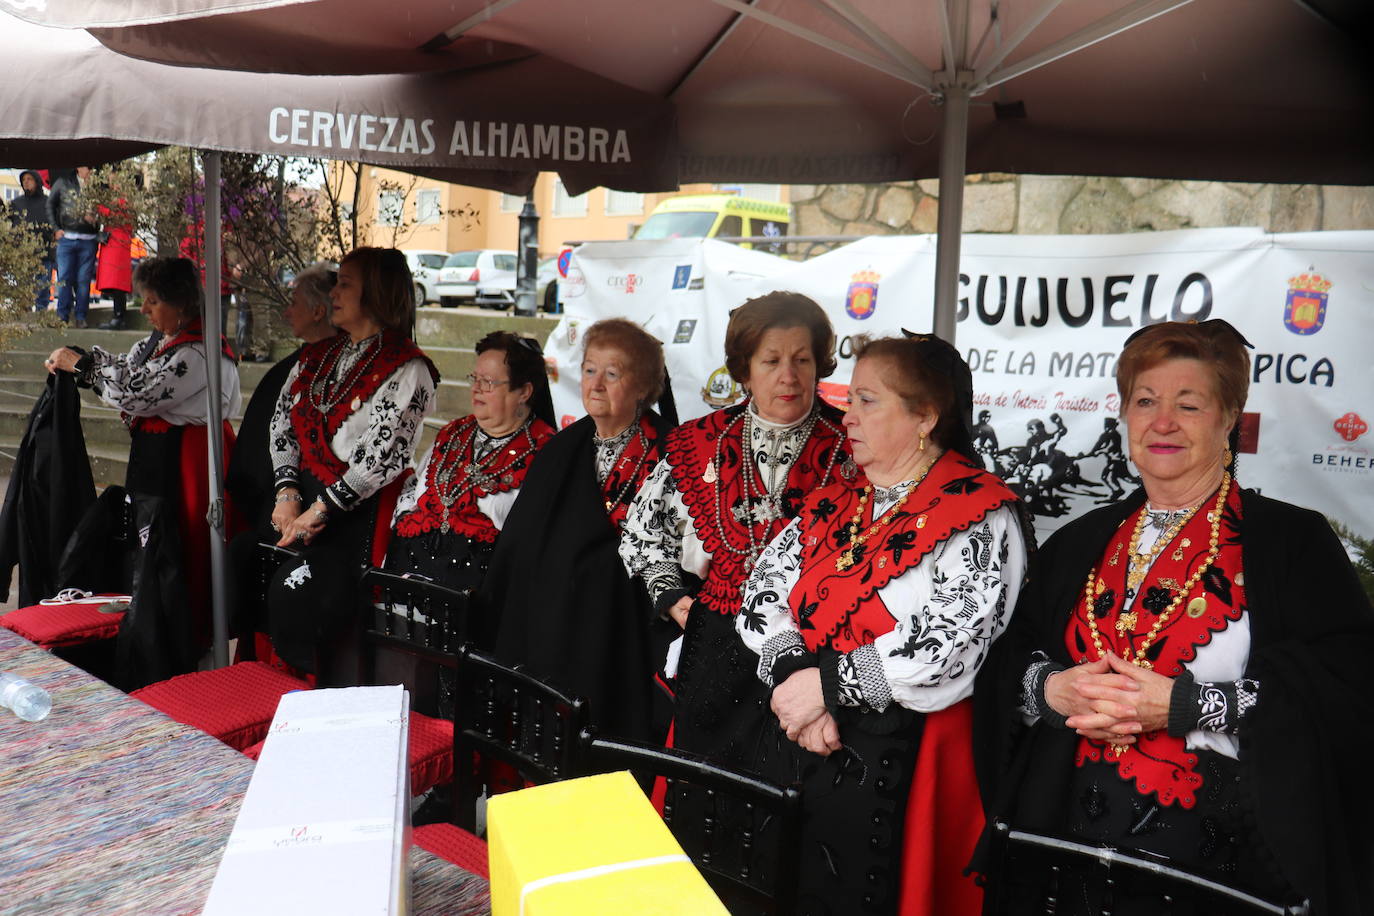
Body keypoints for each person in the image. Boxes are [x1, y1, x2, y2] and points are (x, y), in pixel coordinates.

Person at [980, 320, 1374, 915]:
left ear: (1229, 419)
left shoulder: (1292, 543)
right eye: (1145, 401)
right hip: (1062, 857)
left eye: (1188, 404)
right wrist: (1053, 689)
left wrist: (1186, 706)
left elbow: (1345, 692)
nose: (1162, 422)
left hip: (1221, 873)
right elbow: (1013, 663)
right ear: (1124, 415)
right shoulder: (1080, 539)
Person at [737, 333, 1027, 916]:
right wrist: (796, 674)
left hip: (907, 760)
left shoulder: (976, 511)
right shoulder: (842, 494)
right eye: (851, 399)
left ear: (924, 417)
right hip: (803, 737)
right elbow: (763, 593)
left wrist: (824, 688)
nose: (847, 415)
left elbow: (947, 644)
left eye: (867, 400)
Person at [620, 291, 849, 766]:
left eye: (802, 359)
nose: (789, 376)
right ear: (743, 370)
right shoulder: (697, 443)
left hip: (812, 663)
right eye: (771, 361)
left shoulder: (853, 448)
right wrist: (674, 599)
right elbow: (643, 533)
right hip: (717, 657)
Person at [44, 257, 242, 685]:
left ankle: (193, 659)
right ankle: (157, 644)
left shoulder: (202, 352)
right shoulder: (162, 341)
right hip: (158, 461)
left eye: (154, 302)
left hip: (190, 466)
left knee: (186, 554)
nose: (147, 310)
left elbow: (137, 391)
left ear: (183, 303)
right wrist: (82, 361)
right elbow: (128, 370)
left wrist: (82, 365)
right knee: (152, 553)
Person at [483, 318, 675, 744]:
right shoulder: (563, 448)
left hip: (625, 628)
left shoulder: (670, 451)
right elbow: (521, 544)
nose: (596, 385)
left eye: (613, 373)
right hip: (556, 621)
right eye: (590, 370)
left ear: (643, 386)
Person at [266, 247, 438, 680]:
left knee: (345, 630)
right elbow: (282, 422)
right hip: (306, 502)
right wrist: (287, 494)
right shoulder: (319, 355)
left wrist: (316, 512)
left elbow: (379, 456)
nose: (335, 292)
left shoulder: (407, 368)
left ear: (375, 294)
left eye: (345, 284)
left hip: (360, 515)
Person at [387, 331, 556, 592]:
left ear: (524, 391)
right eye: (474, 378)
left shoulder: (546, 452)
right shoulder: (453, 433)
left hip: (485, 599)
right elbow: (412, 490)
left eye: (488, 382)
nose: (476, 388)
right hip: (411, 583)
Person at [225, 263, 339, 536]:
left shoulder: (336, 367)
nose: (287, 312)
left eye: (294, 303)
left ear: (318, 312)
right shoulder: (297, 365)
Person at [47, 166, 100, 328]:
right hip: (67, 238)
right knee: (64, 279)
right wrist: (55, 229)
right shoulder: (64, 183)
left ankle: (80, 317)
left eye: (92, 168)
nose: (90, 171)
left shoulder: (97, 186)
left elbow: (107, 209)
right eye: (87, 168)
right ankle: (62, 316)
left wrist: (97, 220)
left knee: (84, 280)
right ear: (78, 168)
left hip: (88, 239)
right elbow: (50, 204)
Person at [7, 170, 55, 312]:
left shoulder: (48, 202)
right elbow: (6, 218)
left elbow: (55, 223)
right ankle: (24, 311)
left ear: (37, 181)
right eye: (24, 180)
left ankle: (41, 313)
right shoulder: (16, 203)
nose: (26, 182)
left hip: (44, 251)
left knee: (43, 284)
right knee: (23, 284)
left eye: (29, 179)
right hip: (22, 251)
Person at [95, 178, 137, 330]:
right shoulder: (122, 200)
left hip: (117, 241)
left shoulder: (123, 201)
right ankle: (118, 315)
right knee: (115, 280)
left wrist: (98, 205)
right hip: (114, 240)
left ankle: (119, 316)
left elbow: (111, 213)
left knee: (116, 281)